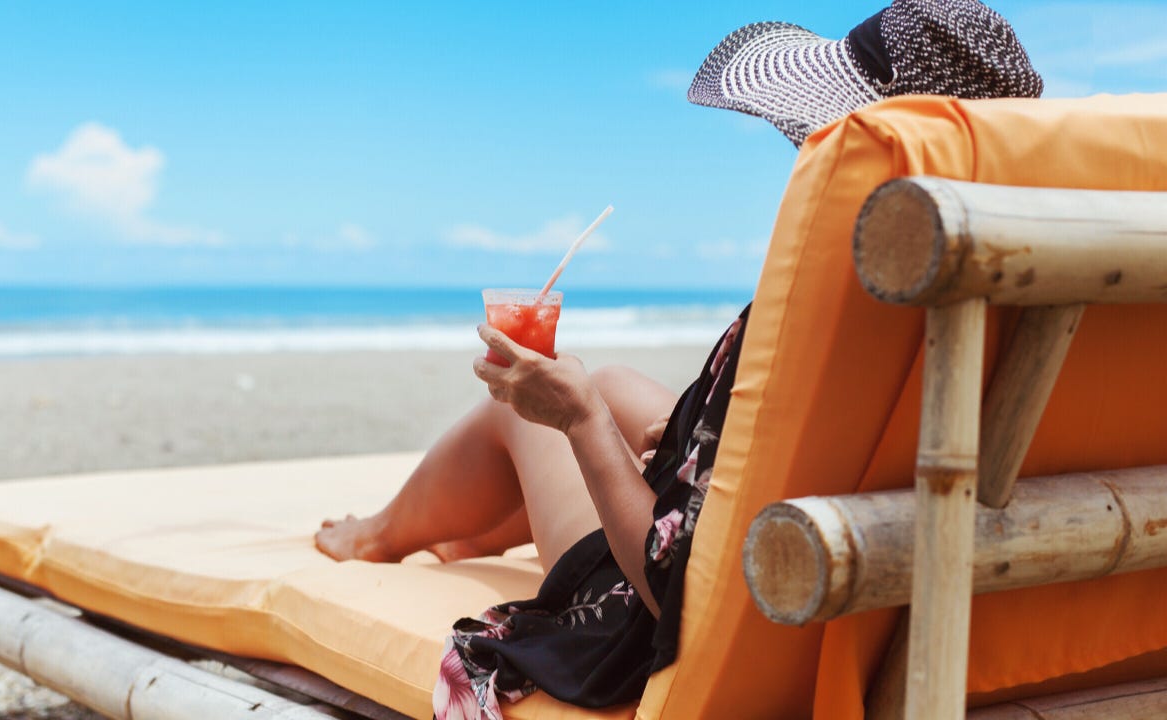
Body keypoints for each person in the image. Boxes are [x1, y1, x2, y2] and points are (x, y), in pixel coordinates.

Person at [315, 2, 1043, 717]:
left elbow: (677, 591)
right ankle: (469, 533)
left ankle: (377, 535)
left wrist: (580, 422)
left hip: (726, 604)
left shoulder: (831, 307)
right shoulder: (1022, 280)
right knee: (619, 384)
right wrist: (703, 439)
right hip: (886, 560)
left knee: (533, 413)